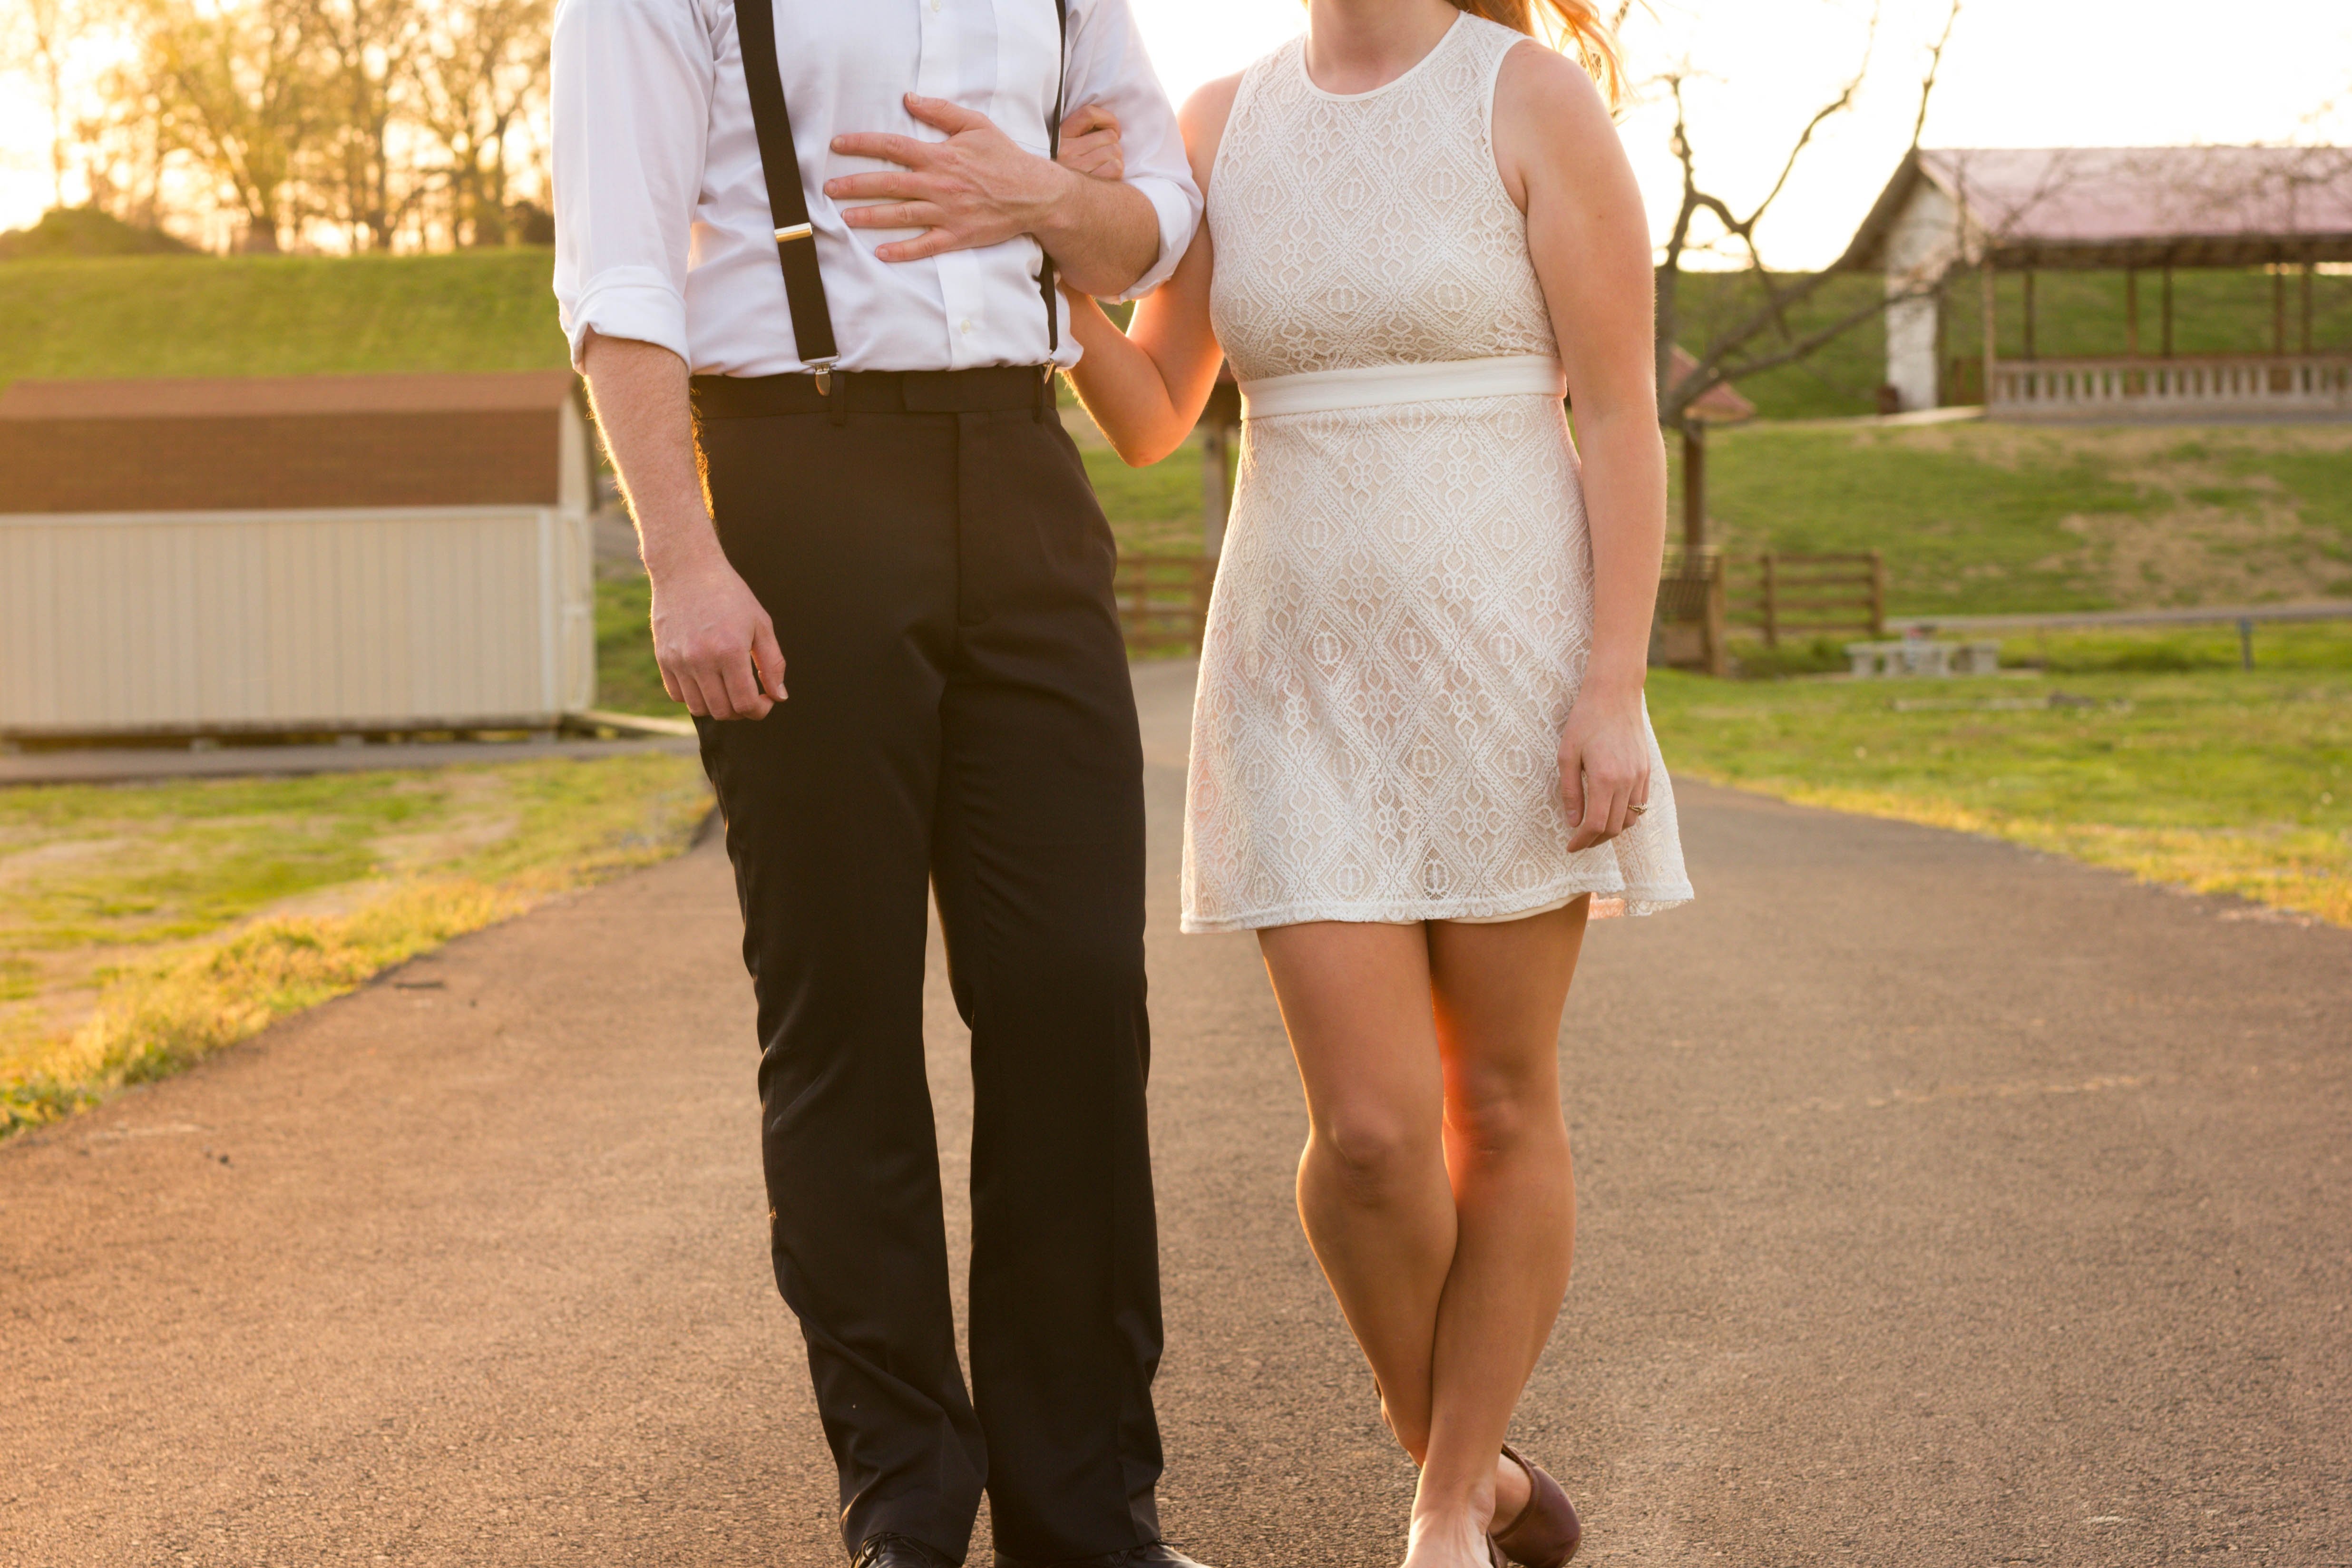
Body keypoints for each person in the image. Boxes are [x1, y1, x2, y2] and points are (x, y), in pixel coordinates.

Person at [549, 4, 1211, 1567]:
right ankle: (905, 1492)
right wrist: (682, 557)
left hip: (1027, 471)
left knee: (1071, 996)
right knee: (840, 1010)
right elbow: (619, 274)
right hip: (794, 470)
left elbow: (1157, 222)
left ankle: (1085, 1510)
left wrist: (1050, 203)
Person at [1058, 1, 1692, 1565]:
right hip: (1294, 678)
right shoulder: (1216, 122)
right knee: (1365, 1134)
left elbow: (1618, 413)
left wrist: (1610, 684)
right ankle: (1473, 1464)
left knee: (1495, 1099)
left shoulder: (1533, 102)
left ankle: (1439, 1506)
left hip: (1512, 661)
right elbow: (1152, 418)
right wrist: (1055, 282)